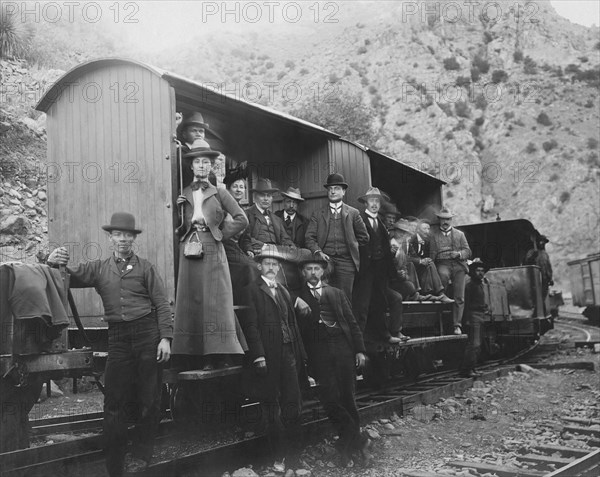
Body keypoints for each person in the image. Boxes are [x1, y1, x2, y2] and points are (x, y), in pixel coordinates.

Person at [47, 212, 172, 477]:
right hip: (118, 337)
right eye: (118, 235)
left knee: (149, 400)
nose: (123, 239)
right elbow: (68, 273)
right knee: (114, 400)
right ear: (111, 238)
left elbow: (161, 303)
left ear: (133, 239)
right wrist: (51, 259)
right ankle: (114, 461)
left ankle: (141, 456)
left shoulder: (146, 267)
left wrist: (165, 338)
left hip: (147, 333)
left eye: (128, 235)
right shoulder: (100, 268)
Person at [172, 140, 248, 371]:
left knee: (214, 301)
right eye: (198, 162)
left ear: (211, 167)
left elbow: (242, 218)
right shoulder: (184, 194)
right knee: (191, 299)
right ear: (192, 167)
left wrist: (220, 234)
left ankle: (218, 354)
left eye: (206, 162)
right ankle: (191, 353)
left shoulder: (220, 193)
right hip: (189, 248)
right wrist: (179, 213)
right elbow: (178, 227)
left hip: (213, 247)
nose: (202, 166)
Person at [297, 256, 372, 467]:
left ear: (323, 272)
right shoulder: (297, 296)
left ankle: (347, 449)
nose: (313, 272)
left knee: (348, 398)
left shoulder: (336, 293)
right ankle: (359, 441)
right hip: (319, 356)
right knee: (330, 400)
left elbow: (351, 322)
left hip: (343, 350)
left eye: (317, 269)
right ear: (303, 273)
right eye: (309, 269)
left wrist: (359, 351)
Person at [238, 247, 308, 472]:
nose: (271, 268)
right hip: (268, 355)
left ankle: (295, 457)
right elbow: (251, 326)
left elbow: (292, 325)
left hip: (289, 353)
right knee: (271, 407)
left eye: (275, 265)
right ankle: (277, 457)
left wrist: (300, 354)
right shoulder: (251, 290)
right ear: (259, 266)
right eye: (267, 264)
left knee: (294, 403)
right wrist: (258, 355)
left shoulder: (284, 291)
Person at [305, 173, 370, 302]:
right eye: (330, 189)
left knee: (344, 299)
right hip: (325, 261)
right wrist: (318, 252)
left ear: (343, 191)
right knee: (323, 296)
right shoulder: (318, 214)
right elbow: (309, 237)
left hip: (347, 262)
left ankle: (343, 322)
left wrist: (352, 247)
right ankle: (325, 322)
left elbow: (364, 237)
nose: (333, 191)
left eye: (336, 188)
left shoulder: (353, 213)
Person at [354, 187, 407, 343]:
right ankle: (359, 342)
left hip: (380, 271)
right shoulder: (359, 220)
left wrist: (390, 265)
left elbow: (384, 251)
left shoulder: (381, 225)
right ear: (366, 203)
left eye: (377, 201)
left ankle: (384, 336)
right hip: (365, 270)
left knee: (380, 304)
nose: (375, 204)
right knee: (362, 306)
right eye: (372, 200)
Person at [429, 207, 472, 335]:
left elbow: (468, 251)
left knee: (460, 296)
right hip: (443, 263)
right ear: (439, 220)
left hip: (458, 265)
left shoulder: (460, 234)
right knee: (442, 276)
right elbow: (432, 255)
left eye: (447, 219)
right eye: (443, 219)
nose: (445, 222)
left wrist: (459, 254)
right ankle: (439, 317)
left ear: (451, 220)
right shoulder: (433, 236)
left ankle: (457, 325)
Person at [239, 178, 295, 257]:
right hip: (258, 252)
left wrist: (292, 248)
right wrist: (265, 246)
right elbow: (245, 239)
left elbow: (285, 239)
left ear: (272, 198)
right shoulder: (247, 215)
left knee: (306, 253)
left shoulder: (276, 219)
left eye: (268, 196)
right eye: (262, 195)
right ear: (255, 197)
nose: (266, 199)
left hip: (277, 252)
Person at [408, 220, 452, 302]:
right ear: (418, 230)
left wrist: (426, 260)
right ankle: (432, 293)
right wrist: (420, 261)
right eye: (424, 229)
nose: (427, 231)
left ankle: (440, 293)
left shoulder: (427, 241)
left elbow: (429, 255)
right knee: (427, 264)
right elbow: (407, 257)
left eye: (428, 229)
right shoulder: (410, 239)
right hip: (410, 269)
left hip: (419, 268)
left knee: (430, 263)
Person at [459, 258, 490, 378]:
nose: (480, 273)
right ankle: (466, 370)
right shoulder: (469, 286)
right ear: (473, 271)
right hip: (473, 316)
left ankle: (472, 367)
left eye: (482, 271)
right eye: (478, 270)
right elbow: (466, 304)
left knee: (478, 345)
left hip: (480, 315)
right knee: (474, 344)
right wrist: (466, 319)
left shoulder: (480, 285)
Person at [389, 219, 432, 301]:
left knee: (410, 286)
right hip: (388, 280)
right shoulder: (389, 244)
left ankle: (415, 295)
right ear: (394, 231)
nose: (402, 234)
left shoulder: (401, 247)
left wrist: (403, 274)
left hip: (398, 279)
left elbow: (403, 266)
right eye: (399, 231)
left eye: (404, 232)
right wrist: (396, 273)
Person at [524, 234, 553, 299]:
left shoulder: (544, 254)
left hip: (544, 279)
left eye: (543, 242)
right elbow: (527, 263)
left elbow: (548, 267)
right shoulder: (531, 252)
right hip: (535, 279)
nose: (542, 243)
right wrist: (533, 255)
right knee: (536, 297)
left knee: (543, 296)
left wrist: (550, 278)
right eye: (541, 241)